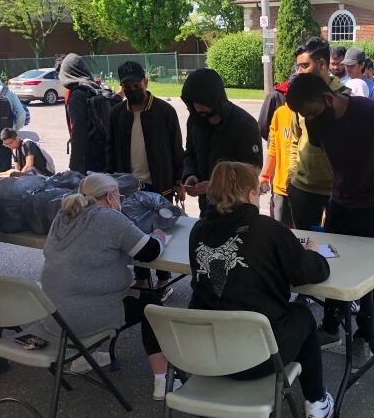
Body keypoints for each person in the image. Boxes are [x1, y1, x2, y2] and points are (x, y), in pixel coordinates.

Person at [285, 73, 374, 366]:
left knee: (371, 274)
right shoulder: (315, 121)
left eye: (310, 111)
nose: (308, 118)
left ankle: (364, 335)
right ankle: (331, 326)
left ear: (326, 98)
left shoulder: (369, 112)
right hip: (341, 203)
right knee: (332, 263)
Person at [188, 161, 334, 417]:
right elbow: (309, 273)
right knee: (302, 315)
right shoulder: (269, 229)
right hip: (257, 356)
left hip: (207, 352)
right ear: (249, 193)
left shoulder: (198, 230)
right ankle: (316, 400)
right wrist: (312, 253)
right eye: (258, 191)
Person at [40, 173, 179, 401]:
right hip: (86, 317)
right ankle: (162, 380)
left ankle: (84, 357)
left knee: (92, 290)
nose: (121, 201)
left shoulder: (64, 213)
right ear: (110, 196)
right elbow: (149, 252)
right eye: (119, 196)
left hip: (54, 315)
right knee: (151, 305)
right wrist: (160, 237)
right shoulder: (110, 219)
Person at [106, 61, 185, 297]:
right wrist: (111, 181)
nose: (132, 90)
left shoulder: (165, 111)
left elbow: (176, 149)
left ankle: (163, 279)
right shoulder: (117, 114)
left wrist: (179, 182)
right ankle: (141, 277)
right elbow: (110, 148)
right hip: (128, 185)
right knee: (134, 232)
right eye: (127, 86)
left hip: (160, 183)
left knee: (161, 229)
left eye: (136, 84)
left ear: (146, 82)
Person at [181, 68, 262, 216]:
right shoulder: (195, 121)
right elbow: (190, 154)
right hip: (207, 209)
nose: (196, 107)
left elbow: (252, 170)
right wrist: (189, 175)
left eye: (201, 101)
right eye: (192, 102)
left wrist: (215, 186)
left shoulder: (244, 124)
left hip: (238, 209)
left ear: (213, 98)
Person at [287, 37, 349, 231]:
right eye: (297, 66)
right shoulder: (298, 96)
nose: (299, 71)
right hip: (303, 188)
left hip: (338, 191)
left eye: (304, 65)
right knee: (305, 248)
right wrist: (291, 173)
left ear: (322, 64)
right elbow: (295, 137)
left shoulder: (346, 97)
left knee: (338, 248)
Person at [60, 53, 121, 174]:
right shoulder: (97, 88)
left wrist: (74, 165)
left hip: (89, 159)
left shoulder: (77, 94)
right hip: (105, 153)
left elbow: (78, 130)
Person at [260, 101, 295, 227]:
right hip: (281, 188)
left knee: (304, 236)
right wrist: (264, 176)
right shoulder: (280, 113)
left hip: (305, 189)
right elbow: (273, 149)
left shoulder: (310, 114)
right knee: (281, 232)